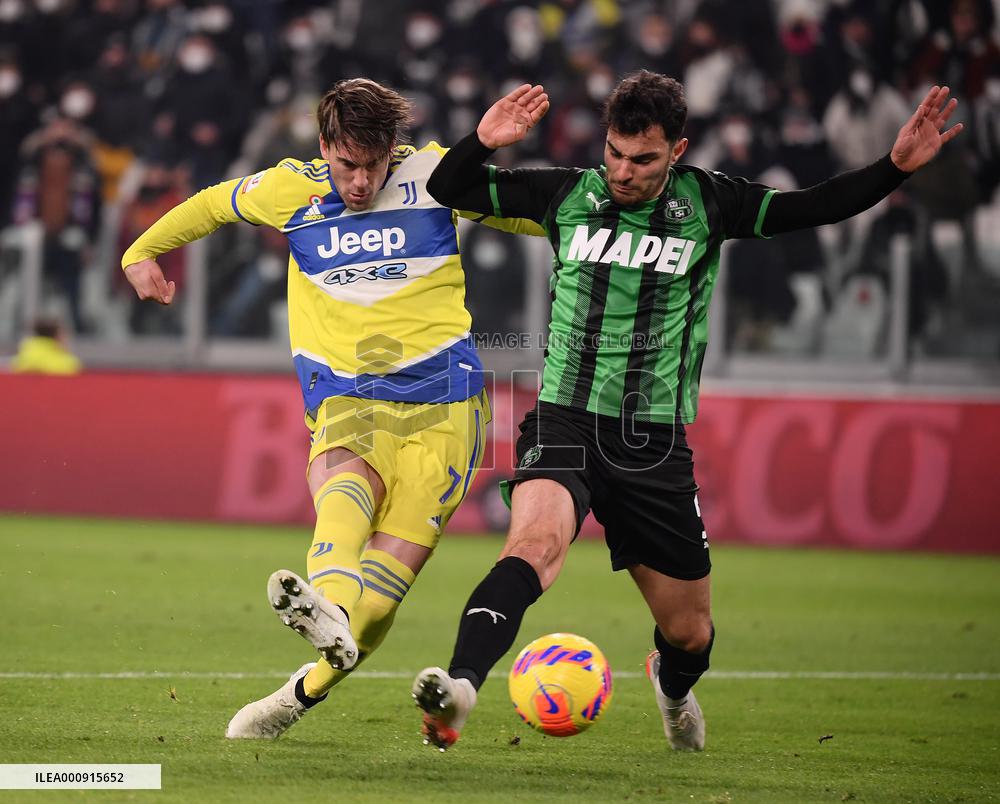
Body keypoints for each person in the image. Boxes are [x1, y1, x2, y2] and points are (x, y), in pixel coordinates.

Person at [412, 74, 962, 751]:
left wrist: (893, 168)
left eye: (643, 159)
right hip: (565, 418)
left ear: (677, 150)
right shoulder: (564, 194)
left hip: (652, 441)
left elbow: (813, 207)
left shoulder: (710, 201)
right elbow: (448, 190)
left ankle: (672, 689)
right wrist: (481, 142)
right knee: (533, 546)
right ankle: (460, 689)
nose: (623, 172)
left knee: (689, 634)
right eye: (614, 153)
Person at [120, 78, 543, 740]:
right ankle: (330, 618)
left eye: (373, 165)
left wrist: (507, 162)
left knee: (376, 606)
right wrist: (142, 250)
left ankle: (301, 691)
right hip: (351, 397)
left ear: (392, 152)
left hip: (446, 413)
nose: (360, 180)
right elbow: (212, 205)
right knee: (342, 480)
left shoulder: (436, 175)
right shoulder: (292, 189)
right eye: (347, 164)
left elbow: (529, 213)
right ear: (325, 148)